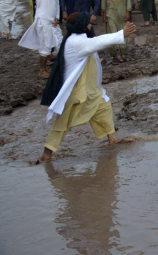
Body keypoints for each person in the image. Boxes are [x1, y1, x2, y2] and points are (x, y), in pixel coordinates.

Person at [36, 11, 135, 164]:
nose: (91, 24)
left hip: (89, 89)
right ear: (82, 27)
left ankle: (112, 138)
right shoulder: (77, 42)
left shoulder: (78, 38)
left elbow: (93, 43)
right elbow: (97, 42)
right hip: (76, 92)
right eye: (88, 22)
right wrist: (121, 34)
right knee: (63, 122)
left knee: (103, 107)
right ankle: (47, 153)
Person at [19, 0, 64, 78]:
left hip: (52, 21)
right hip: (43, 20)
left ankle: (54, 61)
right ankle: (42, 70)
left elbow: (56, 4)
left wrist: (57, 17)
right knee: (45, 45)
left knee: (59, 43)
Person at [101, 0, 131, 64]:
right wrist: (104, 12)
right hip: (110, 12)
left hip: (122, 11)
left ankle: (123, 54)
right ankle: (114, 56)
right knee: (112, 33)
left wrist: (128, 11)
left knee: (124, 33)